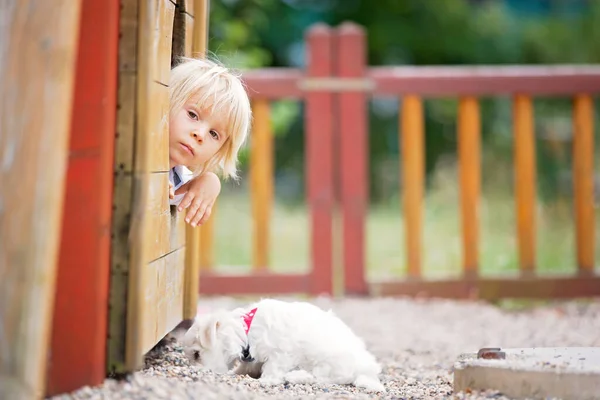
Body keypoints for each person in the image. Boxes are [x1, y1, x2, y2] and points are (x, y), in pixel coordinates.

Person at [167, 57, 252, 227]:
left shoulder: (176, 175)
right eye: (193, 115)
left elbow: (176, 194)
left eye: (214, 134)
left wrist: (209, 181)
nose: (200, 134)